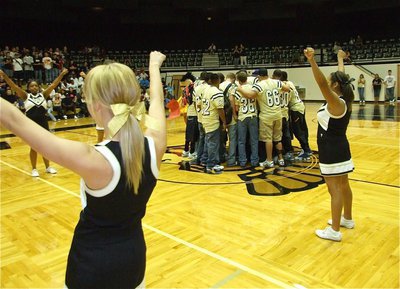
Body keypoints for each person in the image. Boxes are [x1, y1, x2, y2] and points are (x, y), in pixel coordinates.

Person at [0, 51, 167, 288]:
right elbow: (158, 102)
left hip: (92, 265)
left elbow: (14, 120)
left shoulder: (92, 159)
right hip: (133, 259)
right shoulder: (156, 143)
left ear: (96, 105)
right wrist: (154, 66)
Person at [304, 48, 355, 242]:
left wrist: (312, 61)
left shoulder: (335, 101)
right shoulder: (344, 99)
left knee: (334, 189)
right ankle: (347, 219)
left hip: (331, 150)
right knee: (343, 185)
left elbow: (322, 83)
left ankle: (334, 230)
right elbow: (340, 78)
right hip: (340, 146)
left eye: (331, 81)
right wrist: (340, 59)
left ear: (335, 85)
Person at [0, 67, 68, 177]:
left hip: (43, 123)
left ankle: (48, 167)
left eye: (36, 85)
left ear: (39, 87)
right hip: (31, 125)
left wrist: (61, 74)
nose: (34, 87)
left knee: (46, 146)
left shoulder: (43, 95)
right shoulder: (26, 96)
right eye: (31, 86)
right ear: (28, 88)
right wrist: (4, 76)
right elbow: (14, 86)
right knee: (34, 147)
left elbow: (53, 85)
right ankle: (34, 169)